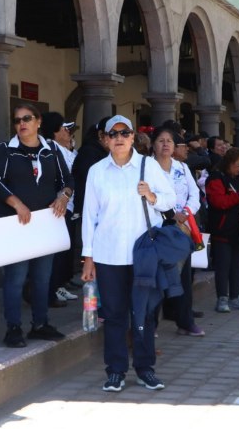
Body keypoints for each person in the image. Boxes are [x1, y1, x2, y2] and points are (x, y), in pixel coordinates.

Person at [81, 115, 176, 392]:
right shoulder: (97, 171)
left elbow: (170, 199)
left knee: (144, 314)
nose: (119, 138)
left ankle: (145, 368)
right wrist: (88, 257)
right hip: (108, 255)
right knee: (114, 316)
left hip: (143, 255)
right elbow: (90, 216)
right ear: (105, 139)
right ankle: (116, 370)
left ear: (133, 137)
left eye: (125, 133)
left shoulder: (148, 167)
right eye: (113, 134)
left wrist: (152, 196)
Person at [0, 104, 73, 348]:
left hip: (45, 223)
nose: (22, 124)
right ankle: (13, 327)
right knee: (15, 278)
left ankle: (40, 323)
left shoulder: (51, 151)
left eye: (27, 119)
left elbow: (67, 179)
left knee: (42, 277)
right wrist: (17, 204)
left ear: (38, 122)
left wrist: (64, 196)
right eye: (17, 121)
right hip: (18, 222)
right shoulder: (7, 150)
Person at [151, 126, 203, 337]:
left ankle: (184, 321)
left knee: (183, 278)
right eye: (161, 140)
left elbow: (194, 194)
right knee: (156, 277)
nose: (165, 144)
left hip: (182, 228)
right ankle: (151, 324)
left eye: (169, 141)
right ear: (153, 145)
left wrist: (186, 212)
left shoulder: (182, 167)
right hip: (157, 227)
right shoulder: (147, 168)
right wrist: (170, 214)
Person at [205, 147, 239, 313]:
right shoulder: (216, 178)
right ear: (229, 162)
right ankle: (222, 299)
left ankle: (236, 297)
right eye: (238, 164)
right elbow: (219, 202)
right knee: (223, 266)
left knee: (237, 266)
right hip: (222, 230)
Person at [40, 111, 80, 307]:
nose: (68, 133)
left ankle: (56, 286)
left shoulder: (64, 148)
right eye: (65, 129)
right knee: (55, 254)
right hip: (57, 207)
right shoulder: (52, 147)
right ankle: (50, 291)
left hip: (68, 205)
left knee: (63, 252)